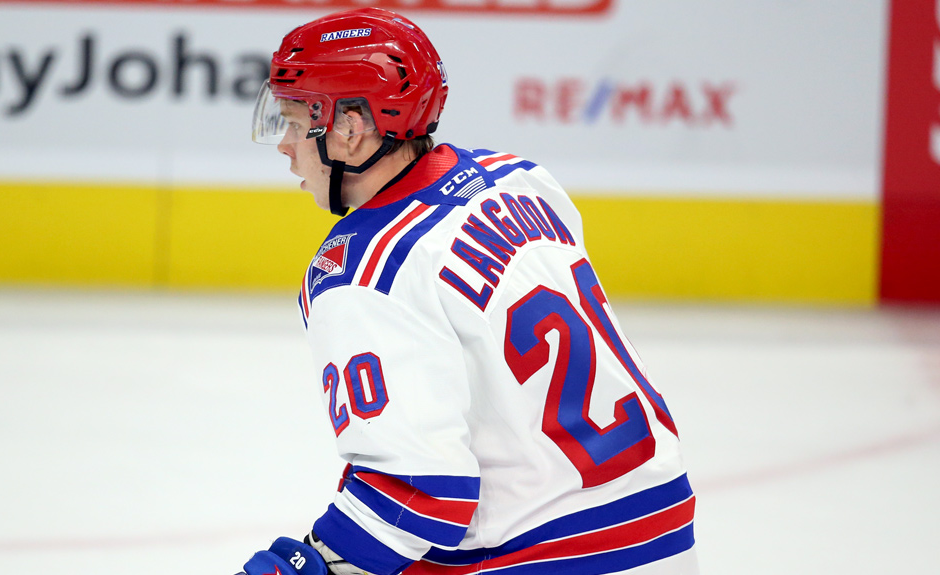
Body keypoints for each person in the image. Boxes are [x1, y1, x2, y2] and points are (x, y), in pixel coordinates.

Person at [241, 7, 697, 575]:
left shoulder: (361, 268)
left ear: (350, 127)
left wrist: (318, 564)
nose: (284, 144)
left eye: (292, 119)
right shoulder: (520, 178)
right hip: (664, 529)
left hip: (547, 555)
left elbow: (420, 496)